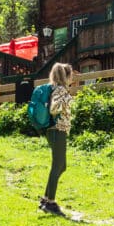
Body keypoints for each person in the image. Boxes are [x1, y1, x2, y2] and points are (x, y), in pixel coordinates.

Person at [40, 62, 74, 216]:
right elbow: (54, 109)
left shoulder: (56, 89)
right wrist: (65, 102)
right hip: (57, 130)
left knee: (61, 166)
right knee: (58, 165)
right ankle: (50, 202)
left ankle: (45, 198)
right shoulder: (60, 90)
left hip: (56, 130)